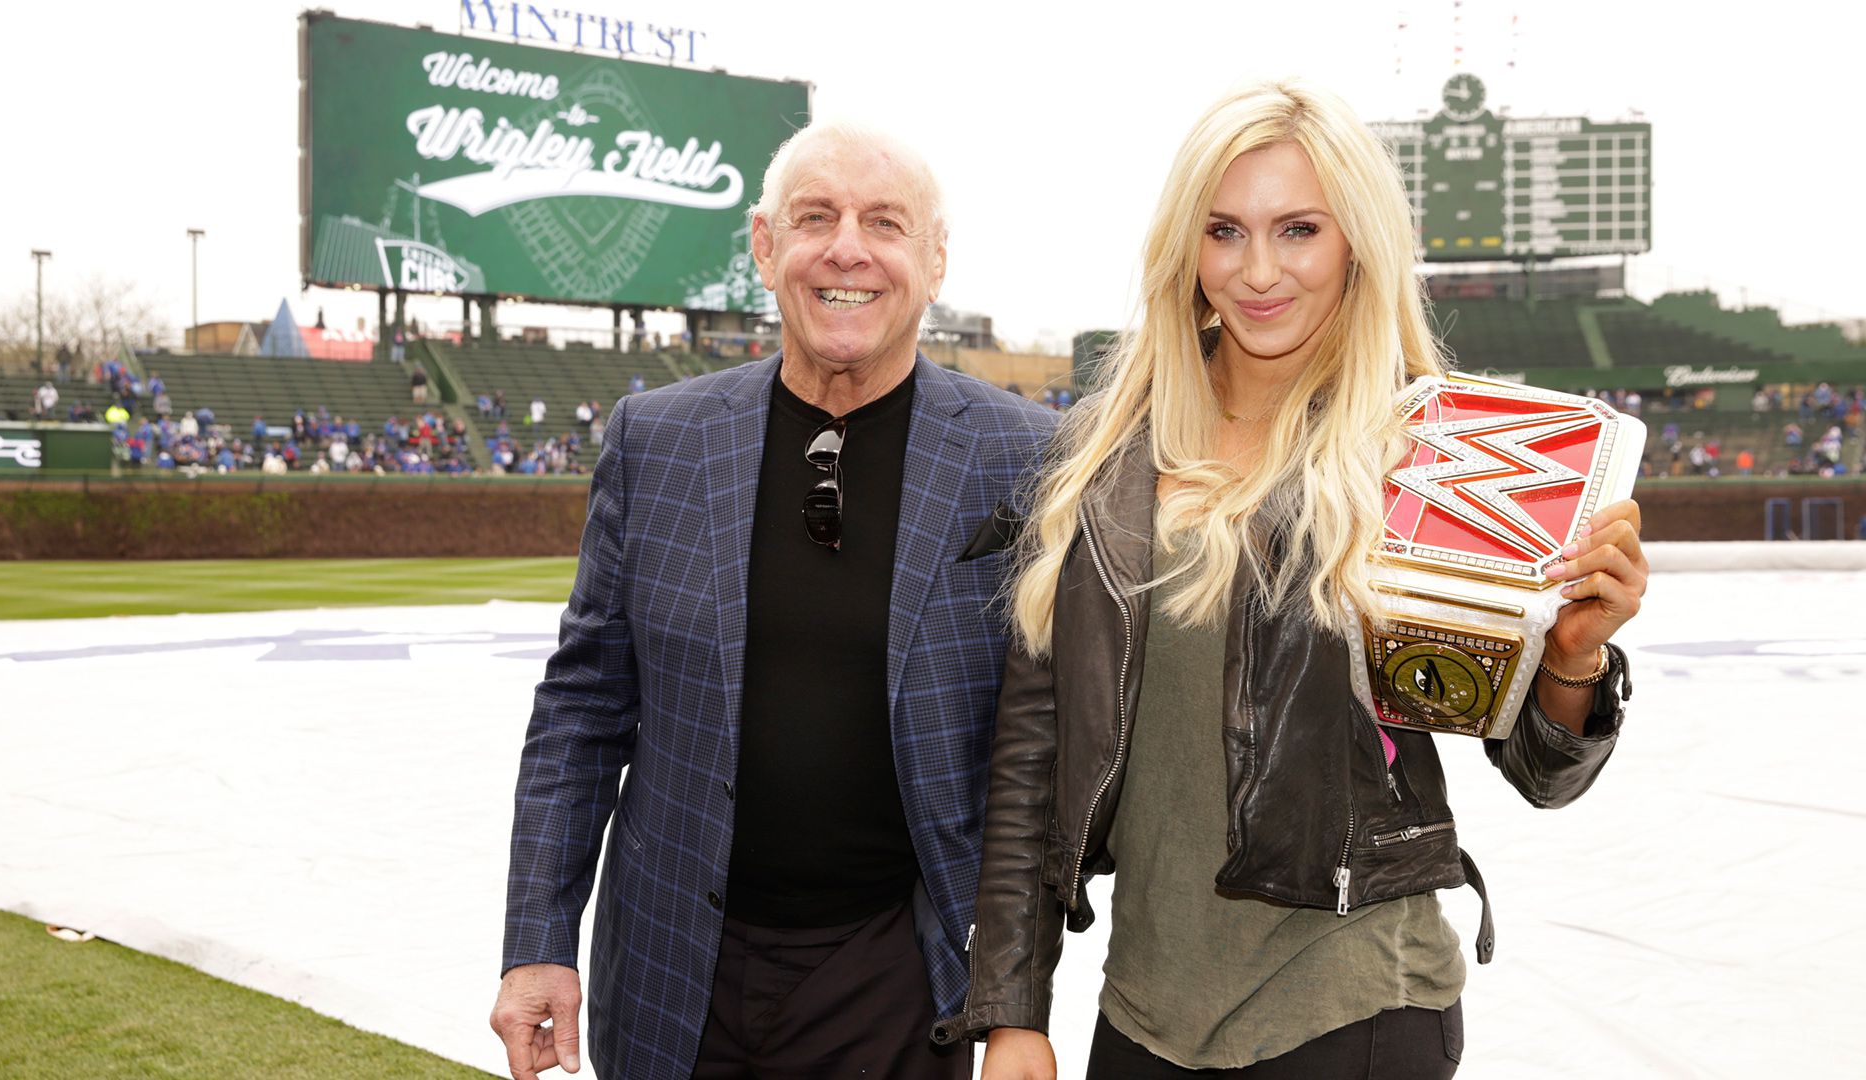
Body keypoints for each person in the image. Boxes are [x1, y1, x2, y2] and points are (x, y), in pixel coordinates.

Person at [946, 81, 1648, 1079]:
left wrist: (1570, 659)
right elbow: (1034, 748)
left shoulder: (1431, 453)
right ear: (1188, 250)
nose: (1260, 270)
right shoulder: (1104, 455)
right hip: (1144, 1011)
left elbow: (1542, 772)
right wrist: (1014, 1008)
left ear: (1356, 243)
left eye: (1299, 230)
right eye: (1225, 231)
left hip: (1353, 1008)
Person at [489, 119, 1057, 1080]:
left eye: (885, 222)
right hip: (673, 968)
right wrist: (538, 939)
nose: (848, 249)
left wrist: (1016, 1005)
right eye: (815, 217)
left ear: (935, 259)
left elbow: (1039, 760)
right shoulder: (655, 441)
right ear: (764, 244)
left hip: (897, 976)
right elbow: (582, 708)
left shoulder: (1028, 456)